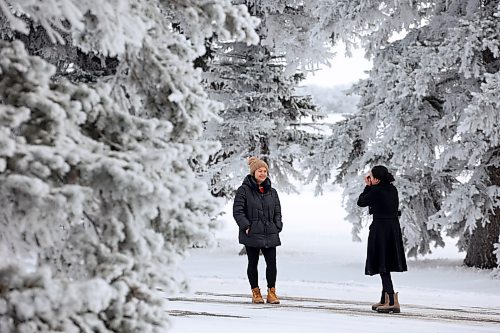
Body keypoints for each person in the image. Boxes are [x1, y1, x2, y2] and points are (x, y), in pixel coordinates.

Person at [357, 165, 407, 313]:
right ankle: (385, 298)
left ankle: (391, 300)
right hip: (392, 228)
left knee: (382, 262)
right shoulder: (392, 189)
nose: (370, 179)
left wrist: (368, 187)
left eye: (371, 177)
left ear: (377, 179)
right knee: (385, 262)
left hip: (381, 229)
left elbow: (361, 202)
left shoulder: (376, 191)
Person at [233, 156, 283, 304]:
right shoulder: (243, 190)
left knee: (272, 263)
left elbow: (277, 211)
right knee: (253, 263)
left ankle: (271, 292)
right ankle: (256, 292)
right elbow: (238, 211)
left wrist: (278, 225)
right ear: (253, 172)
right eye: (259, 171)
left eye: (265, 171)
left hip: (270, 232)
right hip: (252, 233)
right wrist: (246, 226)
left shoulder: (272, 192)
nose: (262, 173)